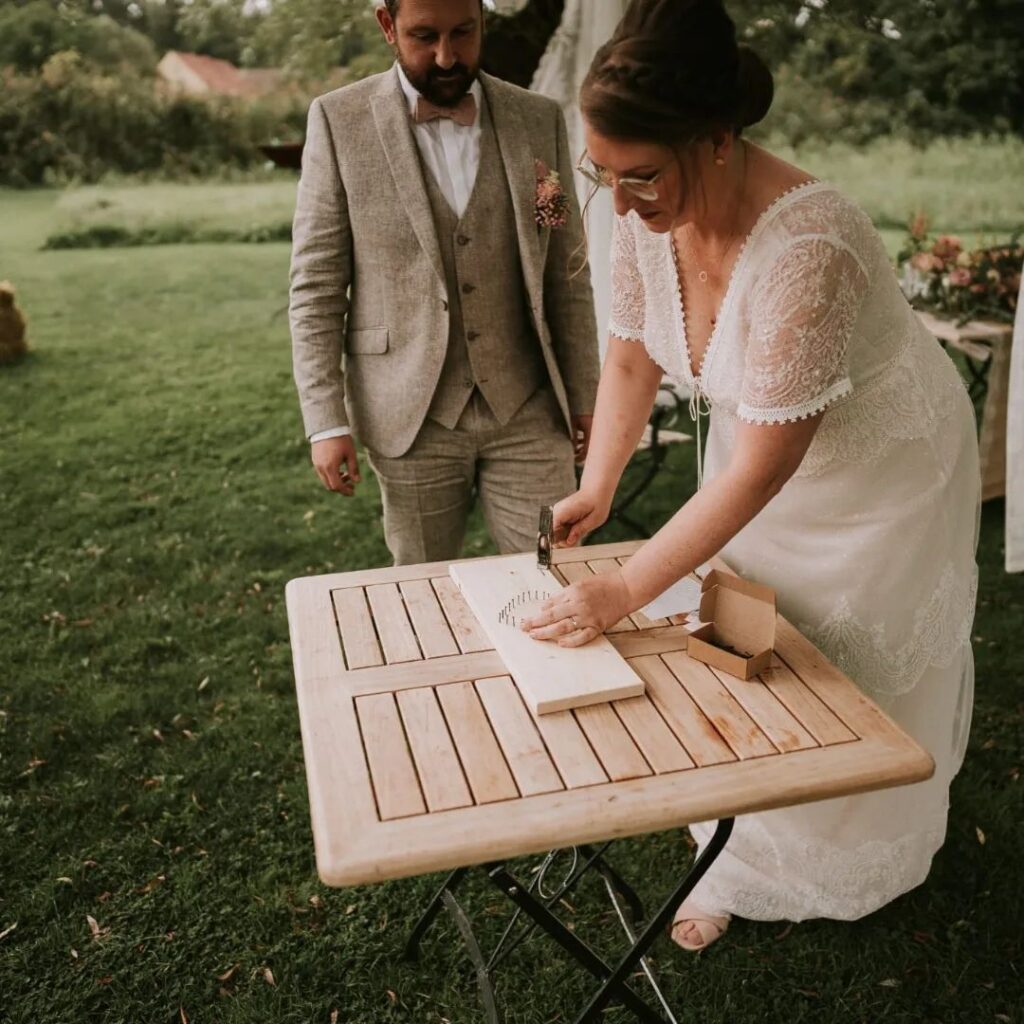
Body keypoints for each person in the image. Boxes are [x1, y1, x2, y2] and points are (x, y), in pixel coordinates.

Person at [521, 0, 980, 951]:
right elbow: (632, 358)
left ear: (718, 138)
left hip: (879, 477)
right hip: (762, 455)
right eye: (599, 174)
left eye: (640, 175)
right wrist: (600, 483)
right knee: (747, 644)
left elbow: (765, 470)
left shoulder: (812, 247)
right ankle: (737, 857)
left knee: (850, 662)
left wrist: (620, 590)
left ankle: (855, 855)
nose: (620, 202)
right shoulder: (649, 214)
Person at [289, 0, 600, 566]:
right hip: (410, 415)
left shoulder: (538, 119)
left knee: (555, 575)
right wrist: (325, 421)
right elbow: (316, 286)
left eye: (464, 33)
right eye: (423, 36)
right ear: (387, 26)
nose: (446, 56)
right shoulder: (339, 122)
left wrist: (586, 397)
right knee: (424, 593)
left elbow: (566, 272)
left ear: (483, 18)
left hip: (528, 408)